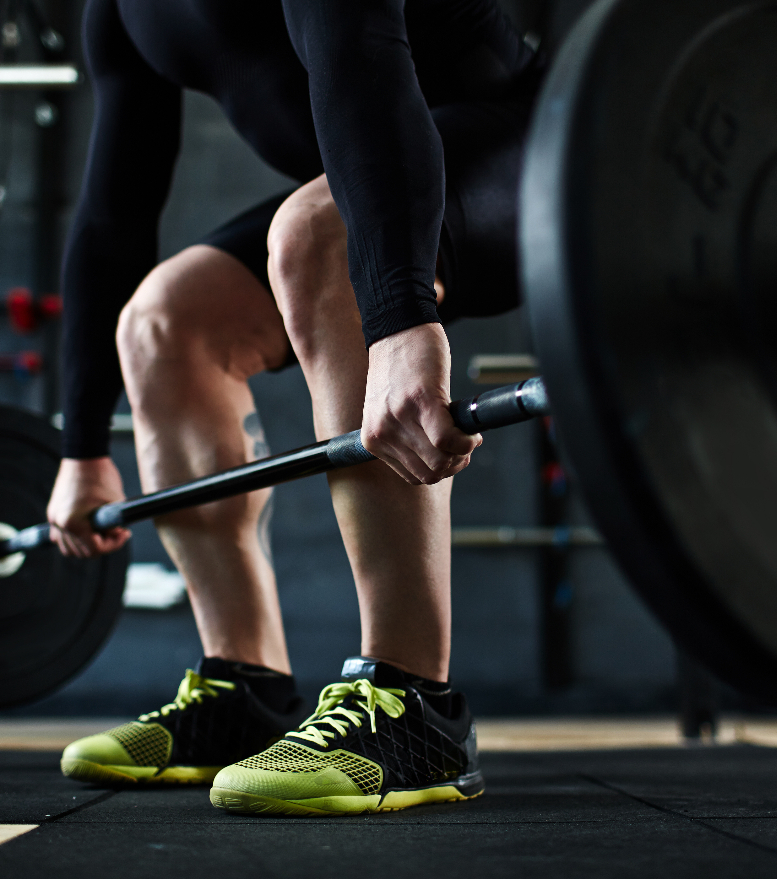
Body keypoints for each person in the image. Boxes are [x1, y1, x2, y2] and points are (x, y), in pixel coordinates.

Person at [48, 0, 542, 816]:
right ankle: (244, 686)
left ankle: (413, 705)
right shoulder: (118, 12)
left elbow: (362, 71)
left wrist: (400, 319)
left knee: (318, 235)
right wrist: (80, 448)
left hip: (537, 151)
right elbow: (114, 212)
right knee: (163, 321)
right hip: (379, 172)